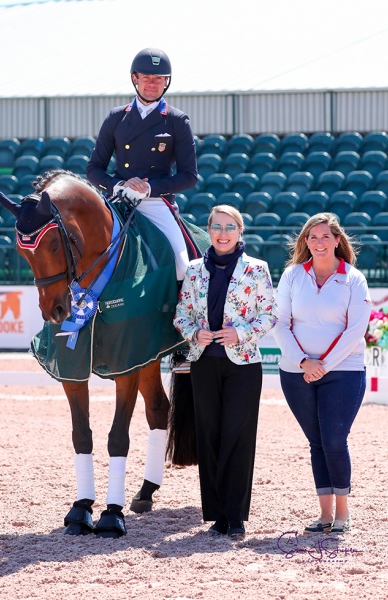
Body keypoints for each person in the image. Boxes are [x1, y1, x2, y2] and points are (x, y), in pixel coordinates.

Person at [173, 205, 277, 539]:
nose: (222, 232)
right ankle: (216, 514)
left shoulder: (257, 269)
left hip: (244, 364)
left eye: (229, 227)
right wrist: (193, 333)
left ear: (239, 231)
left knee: (239, 436)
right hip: (204, 361)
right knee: (210, 436)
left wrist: (241, 332)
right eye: (216, 226)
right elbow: (181, 314)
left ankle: (236, 516)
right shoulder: (193, 270)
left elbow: (270, 315)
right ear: (209, 230)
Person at [273, 212, 371, 535]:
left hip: (343, 371)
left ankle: (343, 513)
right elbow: (280, 324)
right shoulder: (291, 276)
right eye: (312, 237)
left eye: (325, 237)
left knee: (333, 438)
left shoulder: (354, 279)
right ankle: (325, 515)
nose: (319, 242)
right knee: (316, 441)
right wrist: (304, 362)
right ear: (305, 242)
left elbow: (355, 330)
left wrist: (322, 365)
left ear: (338, 241)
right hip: (296, 372)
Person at [86, 47, 198, 282]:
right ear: (134, 78)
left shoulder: (177, 120)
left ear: (166, 82)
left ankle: (184, 316)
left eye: (158, 79)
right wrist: (118, 185)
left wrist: (149, 188)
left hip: (156, 201)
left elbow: (189, 176)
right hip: (118, 198)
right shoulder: (116, 117)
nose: (152, 83)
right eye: (146, 77)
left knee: (183, 266)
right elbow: (94, 169)